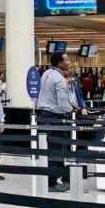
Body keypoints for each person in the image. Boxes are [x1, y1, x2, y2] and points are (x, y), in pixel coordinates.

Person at [37, 52, 73, 192]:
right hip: (55, 116)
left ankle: (54, 180)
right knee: (57, 149)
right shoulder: (60, 79)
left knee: (51, 149)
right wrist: (71, 108)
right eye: (67, 60)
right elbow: (63, 103)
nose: (69, 62)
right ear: (60, 63)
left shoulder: (46, 73)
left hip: (44, 114)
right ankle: (52, 183)